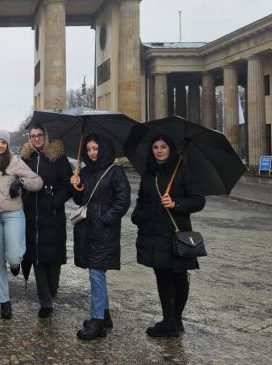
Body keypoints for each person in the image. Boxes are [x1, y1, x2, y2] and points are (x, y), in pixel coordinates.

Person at [131, 135, 205, 338]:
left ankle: (174, 320)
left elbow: (198, 201)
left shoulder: (183, 171)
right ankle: (169, 320)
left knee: (179, 277)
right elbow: (142, 199)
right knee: (162, 277)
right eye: (155, 147)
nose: (159, 150)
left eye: (163, 146)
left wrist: (176, 204)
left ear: (170, 149)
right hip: (153, 232)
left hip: (176, 233)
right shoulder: (149, 173)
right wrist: (137, 215)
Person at [0, 130, 43, 320]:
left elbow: (37, 181)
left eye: (3, 142)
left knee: (13, 256)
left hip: (13, 214)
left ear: (7, 144)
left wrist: (21, 182)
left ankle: (16, 263)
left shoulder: (15, 162)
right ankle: (4, 301)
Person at [69, 134, 131, 340]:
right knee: (95, 270)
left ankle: (96, 319)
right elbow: (80, 199)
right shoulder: (85, 171)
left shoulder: (115, 171)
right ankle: (104, 315)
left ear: (103, 148)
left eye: (95, 148)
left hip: (104, 229)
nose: (91, 153)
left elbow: (123, 201)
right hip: (86, 228)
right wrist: (76, 185)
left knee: (96, 273)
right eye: (88, 149)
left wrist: (104, 219)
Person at [19, 124, 72, 318]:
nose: (36, 139)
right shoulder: (26, 158)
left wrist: (55, 202)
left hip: (53, 214)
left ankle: (52, 290)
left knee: (53, 259)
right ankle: (45, 301)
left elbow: (68, 186)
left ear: (46, 136)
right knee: (37, 259)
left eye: (39, 135)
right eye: (32, 136)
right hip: (32, 215)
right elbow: (19, 180)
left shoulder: (58, 157)